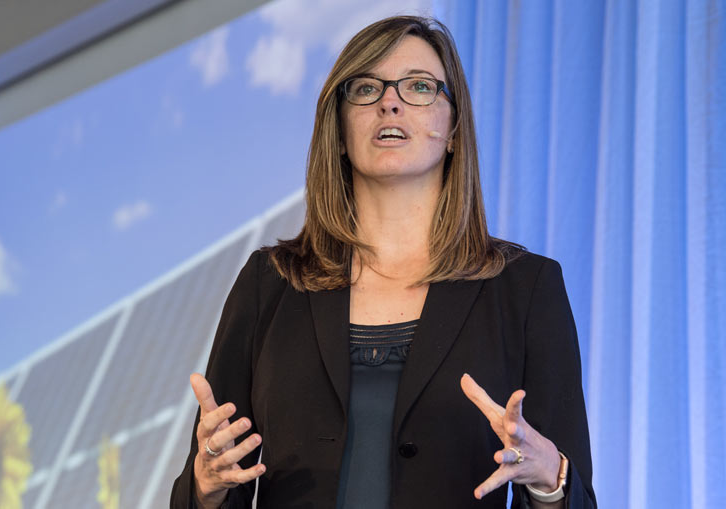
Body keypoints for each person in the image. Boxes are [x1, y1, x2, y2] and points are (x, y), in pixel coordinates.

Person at [171, 15, 596, 509]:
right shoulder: (270, 283)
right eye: (366, 88)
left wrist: (550, 481)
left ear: (454, 127)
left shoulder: (526, 288)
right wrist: (205, 488)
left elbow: (577, 496)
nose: (389, 101)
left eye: (418, 86)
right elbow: (211, 480)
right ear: (340, 127)